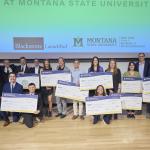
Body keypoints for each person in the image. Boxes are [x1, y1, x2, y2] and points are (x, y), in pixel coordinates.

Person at [88, 56, 104, 124]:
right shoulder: (89, 69)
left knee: (99, 102)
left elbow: (103, 77)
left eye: (96, 60)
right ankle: (94, 116)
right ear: (92, 61)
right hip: (91, 88)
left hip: (99, 89)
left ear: (98, 61)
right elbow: (87, 78)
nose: (95, 61)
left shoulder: (101, 68)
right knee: (93, 102)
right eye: (94, 60)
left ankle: (99, 116)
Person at [135, 53, 150, 118]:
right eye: (139, 56)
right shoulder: (136, 64)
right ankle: (139, 111)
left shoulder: (148, 63)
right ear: (138, 57)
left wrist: (146, 80)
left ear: (144, 57)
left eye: (142, 56)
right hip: (138, 83)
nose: (141, 57)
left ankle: (148, 112)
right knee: (139, 96)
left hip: (146, 82)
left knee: (147, 96)